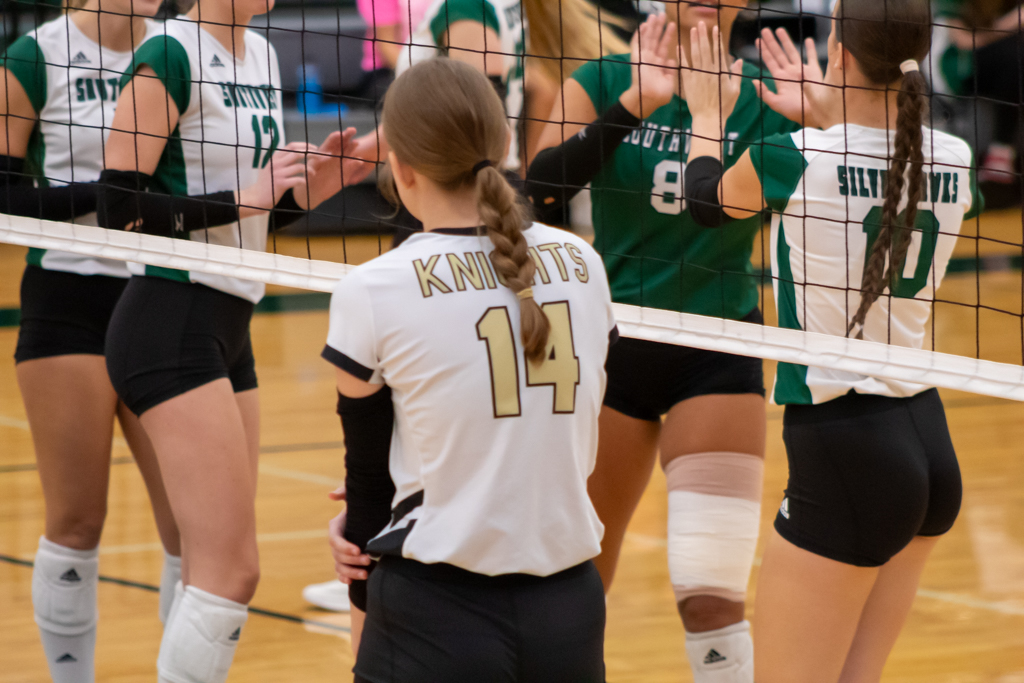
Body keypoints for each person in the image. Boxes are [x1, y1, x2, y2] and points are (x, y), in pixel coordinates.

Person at [679, 2, 981, 681]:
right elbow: (883, 175)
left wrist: (706, 111)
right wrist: (831, 116)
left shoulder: (789, 157)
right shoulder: (955, 159)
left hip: (845, 447)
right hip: (928, 440)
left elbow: (705, 199)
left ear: (838, 52)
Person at [322, 57, 617, 682]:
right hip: (571, 610)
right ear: (505, 143)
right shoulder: (583, 262)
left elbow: (368, 482)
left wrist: (360, 602)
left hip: (437, 614)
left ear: (400, 167)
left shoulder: (373, 289)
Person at [526, 8, 798, 681]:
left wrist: (817, 116)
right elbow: (542, 190)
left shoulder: (773, 97)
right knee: (577, 574)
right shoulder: (604, 77)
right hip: (611, 349)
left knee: (709, 595)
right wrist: (633, 103)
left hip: (718, 349)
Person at [94, 0, 357, 678]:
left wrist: (307, 194)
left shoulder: (262, 52)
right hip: (168, 315)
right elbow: (117, 210)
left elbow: (249, 213)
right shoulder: (168, 56)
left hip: (230, 319)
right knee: (231, 570)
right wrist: (243, 198)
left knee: (210, 565)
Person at [0, 0, 181, 680]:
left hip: (163, 292)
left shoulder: (174, 51)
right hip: (68, 298)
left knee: (191, 532)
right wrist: (104, 196)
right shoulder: (33, 58)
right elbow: (3, 198)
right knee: (77, 521)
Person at [936, 0, 1023, 197]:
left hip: (1004, 64)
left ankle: (1001, 155)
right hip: (962, 67)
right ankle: (1000, 153)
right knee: (1017, 55)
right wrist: (1013, 21)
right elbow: (964, 41)